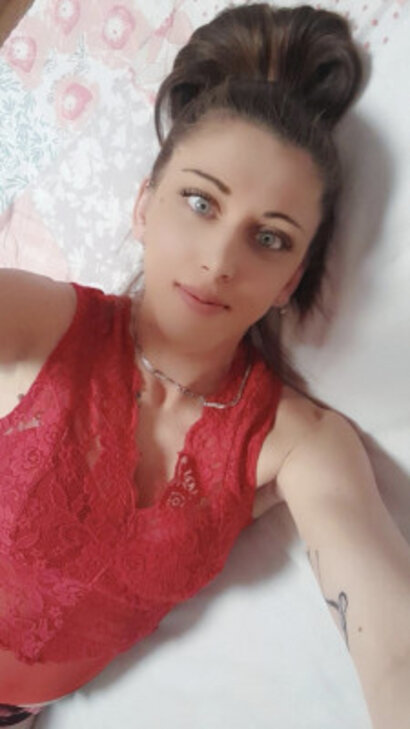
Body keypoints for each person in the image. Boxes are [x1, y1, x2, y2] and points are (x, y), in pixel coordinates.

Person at [0, 3, 409, 728]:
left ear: (291, 280)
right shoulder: (39, 321)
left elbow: (395, 649)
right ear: (143, 206)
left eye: (270, 238)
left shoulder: (297, 443)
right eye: (199, 201)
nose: (220, 260)